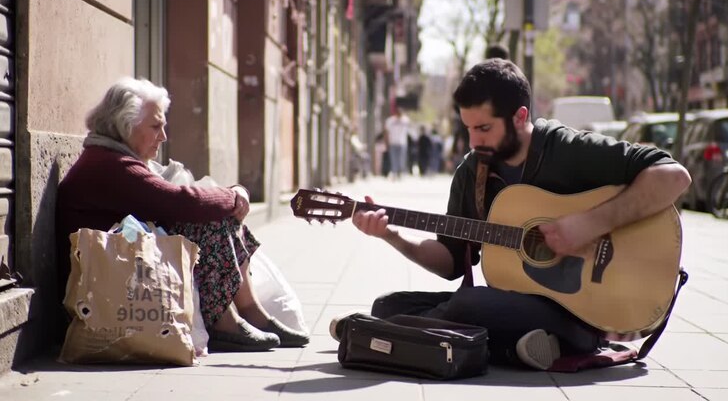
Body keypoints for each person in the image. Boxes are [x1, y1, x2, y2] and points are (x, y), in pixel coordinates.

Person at [336, 59, 691, 370]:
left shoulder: (567, 149)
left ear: (520, 117)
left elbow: (674, 176)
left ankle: (379, 335)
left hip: (582, 313)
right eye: (469, 128)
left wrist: (589, 224)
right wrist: (391, 235)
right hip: (520, 304)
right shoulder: (472, 172)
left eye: (484, 128)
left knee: (468, 304)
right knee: (389, 304)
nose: (473, 141)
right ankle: (516, 349)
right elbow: (450, 263)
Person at [56, 77, 309, 352]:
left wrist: (230, 197)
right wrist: (234, 195)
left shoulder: (111, 158)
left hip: (124, 267)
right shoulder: (111, 165)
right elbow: (176, 201)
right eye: (155, 126)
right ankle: (225, 321)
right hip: (104, 283)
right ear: (124, 125)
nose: (163, 137)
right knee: (208, 218)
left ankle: (249, 312)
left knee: (215, 214)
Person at [384, 108, 410, 179]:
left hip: (402, 142)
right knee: (393, 159)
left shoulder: (405, 120)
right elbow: (386, 132)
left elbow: (408, 131)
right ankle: (394, 173)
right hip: (393, 142)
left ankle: (400, 173)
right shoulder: (390, 120)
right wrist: (386, 142)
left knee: (401, 159)